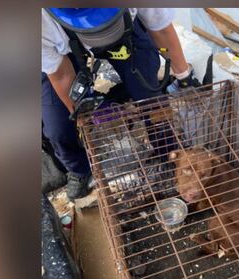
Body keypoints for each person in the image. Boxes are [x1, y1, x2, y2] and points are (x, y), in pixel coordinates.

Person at [42, 8, 199, 199]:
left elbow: (162, 30)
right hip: (64, 51)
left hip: (125, 34)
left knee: (151, 98)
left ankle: (169, 152)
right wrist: (85, 112)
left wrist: (184, 77)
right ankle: (80, 170)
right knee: (58, 127)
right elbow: (61, 74)